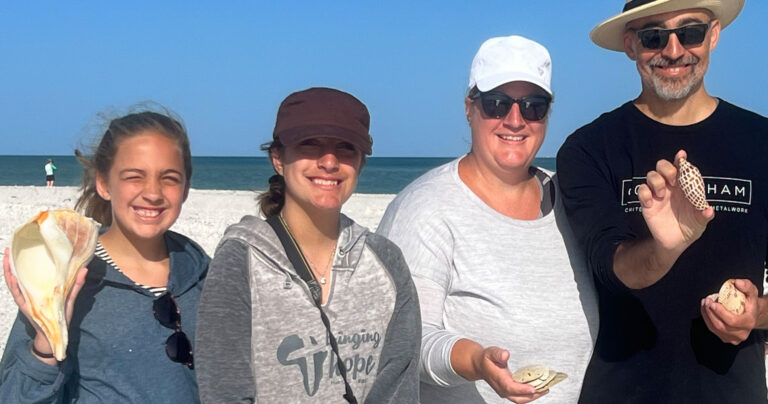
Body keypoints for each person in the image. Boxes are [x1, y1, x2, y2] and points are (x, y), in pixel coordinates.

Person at [556, 0, 768, 402]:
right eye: (654, 36)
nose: (673, 51)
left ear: (714, 35)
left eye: (690, 32)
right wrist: (663, 250)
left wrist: (757, 314)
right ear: (631, 45)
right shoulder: (588, 149)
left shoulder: (762, 144)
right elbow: (609, 266)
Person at [377, 36, 598, 403]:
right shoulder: (424, 208)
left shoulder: (572, 202)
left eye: (533, 106)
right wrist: (476, 360)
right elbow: (407, 339)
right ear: (469, 107)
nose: (515, 120)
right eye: (496, 104)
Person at [194, 87, 421, 403]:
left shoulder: (385, 261)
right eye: (309, 144)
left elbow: (399, 386)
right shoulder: (240, 260)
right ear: (278, 158)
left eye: (345, 147)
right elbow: (224, 391)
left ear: (361, 163)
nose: (329, 162)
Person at [0, 110, 209, 402]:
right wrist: (46, 344)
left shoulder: (205, 275)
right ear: (103, 183)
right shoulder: (65, 274)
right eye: (134, 177)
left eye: (169, 178)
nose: (153, 193)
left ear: (186, 187)